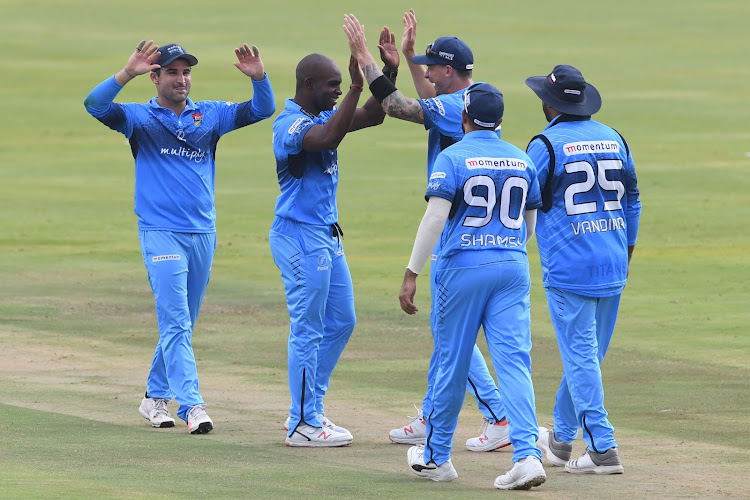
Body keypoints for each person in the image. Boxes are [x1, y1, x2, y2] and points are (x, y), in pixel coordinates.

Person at [84, 40, 275, 434]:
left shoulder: (211, 116)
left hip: (203, 232)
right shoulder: (140, 118)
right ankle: (192, 405)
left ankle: (155, 397)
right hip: (160, 233)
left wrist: (260, 79)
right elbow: (94, 105)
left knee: (182, 324)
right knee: (175, 321)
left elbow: (262, 109)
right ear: (155, 77)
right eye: (172, 72)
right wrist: (126, 72)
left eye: (186, 72)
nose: (181, 79)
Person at [344, 11, 510, 452]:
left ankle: (499, 416)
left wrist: (364, 59)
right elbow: (428, 104)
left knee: (450, 333)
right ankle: (432, 414)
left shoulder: (458, 105)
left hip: (461, 238)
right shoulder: (469, 102)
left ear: (449, 71)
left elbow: (400, 107)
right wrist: (406, 57)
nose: (428, 70)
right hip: (485, 239)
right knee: (446, 331)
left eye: (432, 65)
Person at [396, 82, 546, 489]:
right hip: (513, 266)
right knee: (515, 363)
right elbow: (529, 226)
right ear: (500, 121)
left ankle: (435, 457)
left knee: (452, 361)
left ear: (463, 118)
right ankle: (528, 455)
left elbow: (435, 218)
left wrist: (412, 272)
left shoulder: (452, 155)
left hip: (462, 267)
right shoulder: (520, 158)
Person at [270, 27, 399, 447]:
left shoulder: (323, 115)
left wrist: (389, 71)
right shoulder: (289, 124)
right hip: (300, 236)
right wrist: (359, 84)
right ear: (307, 85)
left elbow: (375, 115)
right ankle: (302, 423)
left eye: (340, 87)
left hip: (326, 236)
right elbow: (327, 138)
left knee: (342, 320)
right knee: (307, 328)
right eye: (332, 86)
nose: (337, 92)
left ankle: (312, 410)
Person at [524, 64, 641, 474]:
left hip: (570, 268)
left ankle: (603, 449)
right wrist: (626, 248)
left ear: (548, 103)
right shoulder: (614, 137)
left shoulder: (545, 144)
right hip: (613, 260)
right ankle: (559, 442)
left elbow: (520, 198)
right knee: (587, 357)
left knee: (580, 359)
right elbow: (633, 199)